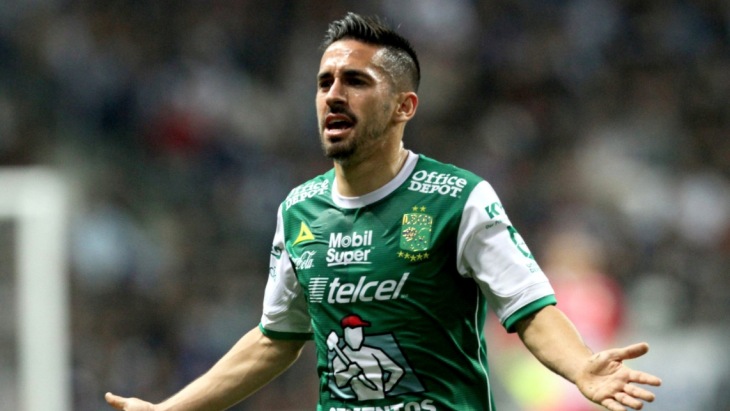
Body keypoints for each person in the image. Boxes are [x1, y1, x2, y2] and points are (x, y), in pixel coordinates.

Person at [105, 12, 661, 411]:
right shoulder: (299, 211)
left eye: (355, 81)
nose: (333, 94)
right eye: (324, 82)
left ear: (403, 106)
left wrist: (580, 367)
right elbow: (276, 338)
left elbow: (530, 309)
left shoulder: (458, 198)